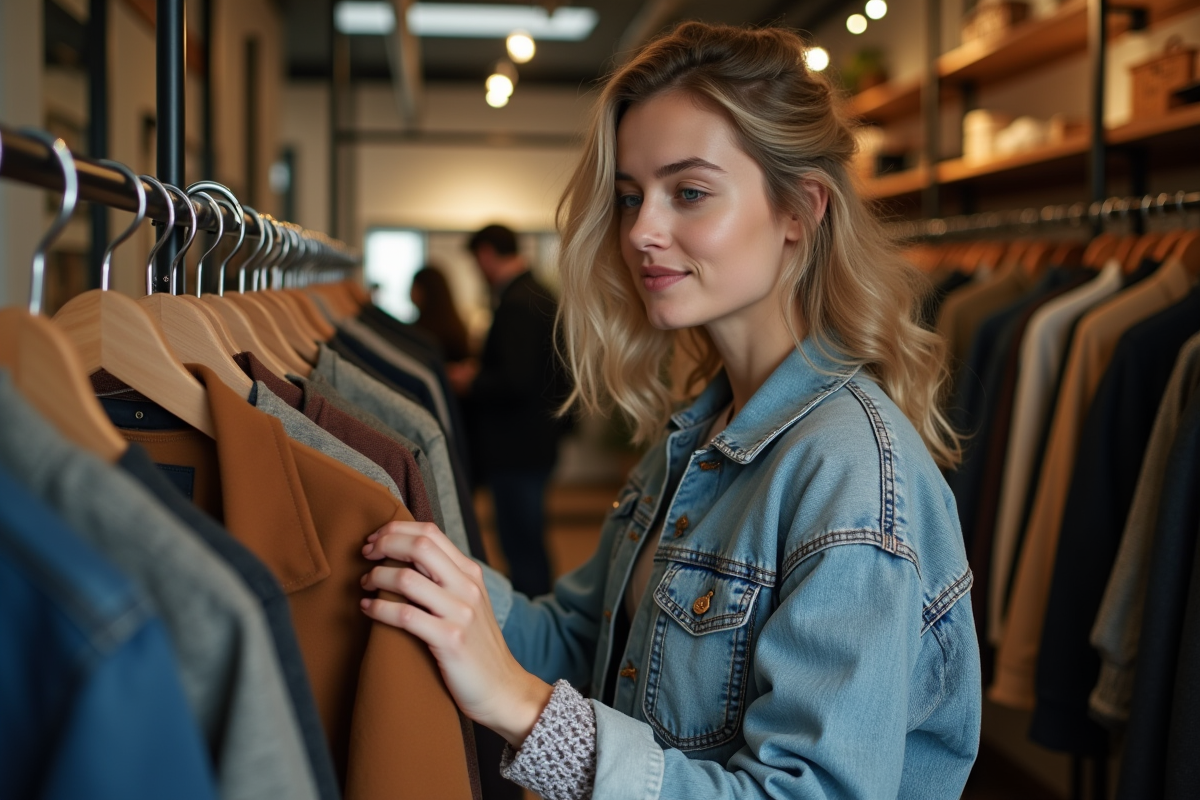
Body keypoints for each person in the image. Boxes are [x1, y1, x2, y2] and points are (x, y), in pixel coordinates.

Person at [360, 21, 982, 800]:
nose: (642, 231)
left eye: (688, 192)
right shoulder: (699, 435)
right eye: (630, 198)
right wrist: (439, 578)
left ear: (801, 209)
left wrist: (523, 710)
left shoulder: (847, 471)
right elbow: (586, 641)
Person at [447, 224, 568, 598]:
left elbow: (515, 380)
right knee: (526, 539)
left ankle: (534, 619)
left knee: (521, 544)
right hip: (532, 440)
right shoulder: (535, 292)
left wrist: (471, 381)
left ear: (486, 254)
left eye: (475, 261)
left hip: (517, 446)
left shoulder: (517, 302)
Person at [410, 264, 473, 363]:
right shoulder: (454, 325)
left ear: (425, 290)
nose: (410, 292)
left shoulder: (424, 330)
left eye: (414, 286)